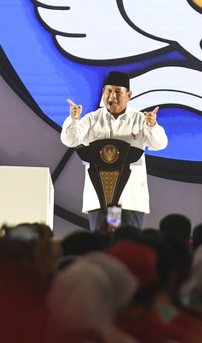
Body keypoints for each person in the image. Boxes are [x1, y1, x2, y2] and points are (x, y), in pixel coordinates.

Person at [61, 71, 168, 231]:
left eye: (118, 92)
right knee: (102, 245)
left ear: (129, 95)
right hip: (100, 197)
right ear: (103, 92)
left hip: (130, 197)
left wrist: (152, 126)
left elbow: (159, 144)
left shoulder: (140, 119)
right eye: (108, 91)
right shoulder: (92, 119)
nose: (112, 96)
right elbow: (70, 140)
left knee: (129, 246)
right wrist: (74, 119)